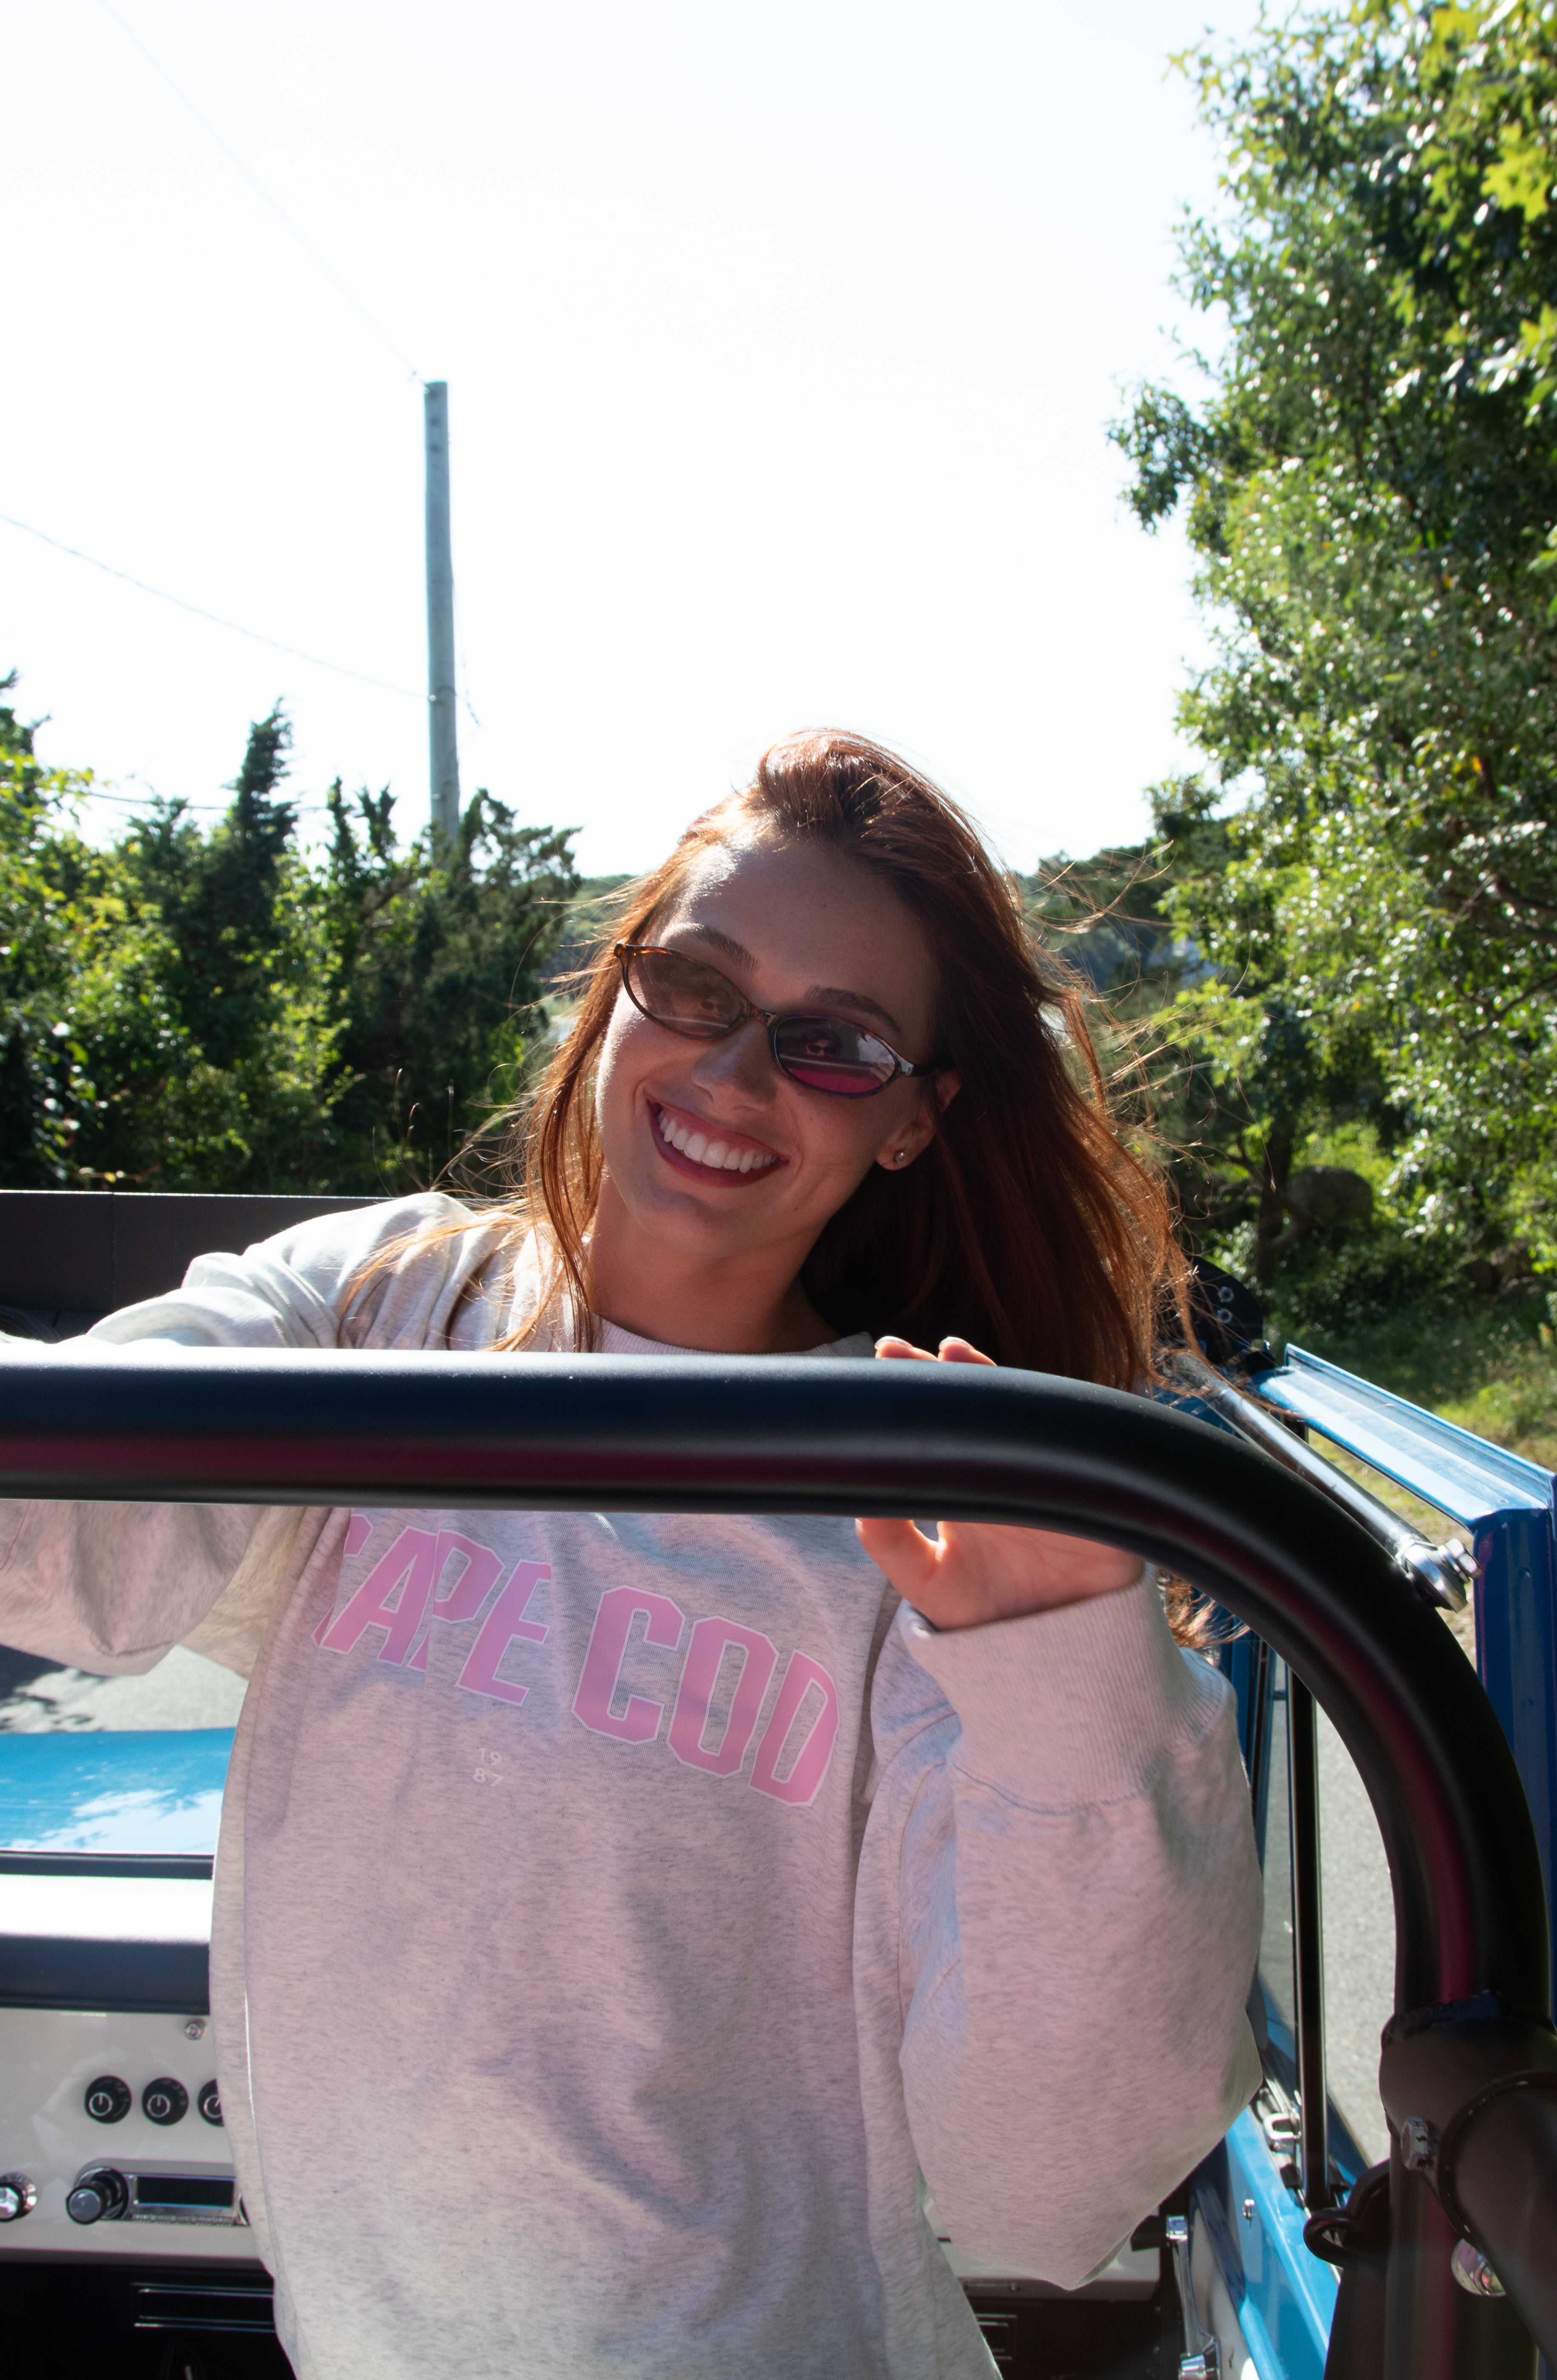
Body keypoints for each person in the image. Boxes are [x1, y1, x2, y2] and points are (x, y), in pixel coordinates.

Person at [0, 732, 1261, 2380]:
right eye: (695, 983)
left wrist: (1077, 1696)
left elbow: (1046, 2181)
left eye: (833, 1043)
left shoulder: (934, 1510)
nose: (732, 1070)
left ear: (911, 1120)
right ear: (616, 987)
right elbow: (59, 1547)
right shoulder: (381, 1312)